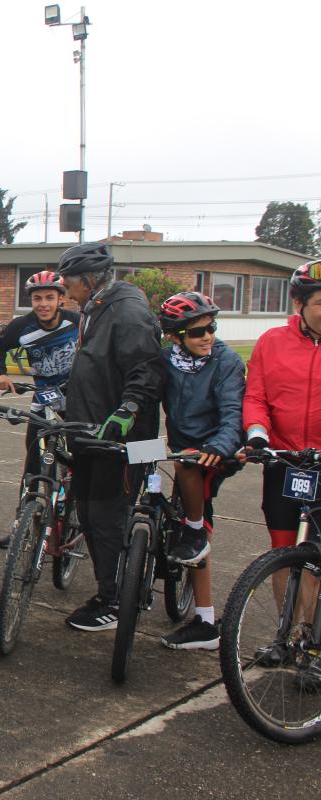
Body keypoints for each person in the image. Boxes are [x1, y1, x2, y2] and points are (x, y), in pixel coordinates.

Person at [58, 242, 162, 632]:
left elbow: (147, 371)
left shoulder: (128, 312)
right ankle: (109, 589)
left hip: (121, 440)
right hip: (89, 433)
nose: (65, 286)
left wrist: (127, 410)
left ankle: (116, 598)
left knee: (106, 515)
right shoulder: (97, 308)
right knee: (85, 508)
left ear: (89, 278)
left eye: (69, 279)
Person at [155, 291, 243, 650]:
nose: (207, 336)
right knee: (127, 456)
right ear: (175, 337)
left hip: (216, 451)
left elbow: (233, 415)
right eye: (197, 332)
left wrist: (218, 448)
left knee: (198, 523)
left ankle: (206, 623)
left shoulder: (227, 361)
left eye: (211, 328)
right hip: (180, 446)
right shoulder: (164, 361)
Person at [0, 270, 81, 547]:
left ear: (61, 299)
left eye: (50, 298)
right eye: (38, 298)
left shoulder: (78, 323)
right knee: (33, 461)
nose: (44, 304)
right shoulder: (22, 326)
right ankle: (22, 524)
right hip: (44, 399)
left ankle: (76, 516)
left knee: (81, 457)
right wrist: (0, 373)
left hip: (77, 399)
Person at [244, 260, 321, 552]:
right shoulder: (271, 342)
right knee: (282, 549)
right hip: (284, 462)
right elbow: (256, 397)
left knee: (314, 556)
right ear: (298, 304)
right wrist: (256, 432)